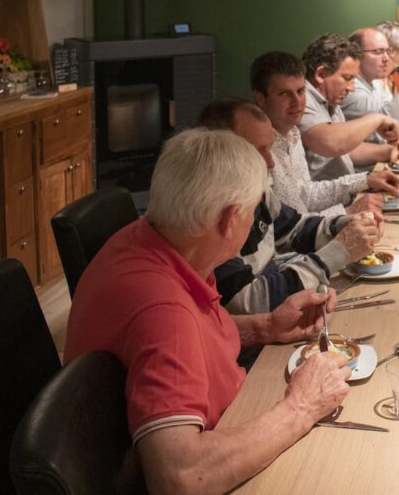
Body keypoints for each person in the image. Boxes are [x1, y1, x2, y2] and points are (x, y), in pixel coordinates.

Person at [64, 128, 351, 493]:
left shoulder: (156, 239)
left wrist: (266, 327)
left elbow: (187, 333)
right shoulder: (163, 311)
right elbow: (181, 477)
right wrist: (302, 406)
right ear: (230, 220)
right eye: (252, 210)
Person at [198, 97, 381, 314]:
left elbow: (294, 229)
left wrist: (343, 226)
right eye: (258, 151)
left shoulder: (255, 188)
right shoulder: (210, 213)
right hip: (260, 337)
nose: (270, 162)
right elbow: (245, 302)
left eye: (270, 149)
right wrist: (338, 252)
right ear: (223, 152)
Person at [249, 50, 399, 215]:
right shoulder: (254, 146)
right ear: (260, 99)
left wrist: (365, 180)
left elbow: (307, 195)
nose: (297, 102)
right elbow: (285, 230)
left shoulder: (292, 132)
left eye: (300, 91)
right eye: (284, 94)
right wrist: (346, 212)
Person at [299, 33, 399, 181]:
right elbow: (330, 142)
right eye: (347, 78)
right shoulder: (301, 99)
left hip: (347, 193)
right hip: (328, 202)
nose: (351, 88)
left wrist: (392, 151)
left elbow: (345, 151)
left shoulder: (330, 98)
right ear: (321, 73)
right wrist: (376, 120)